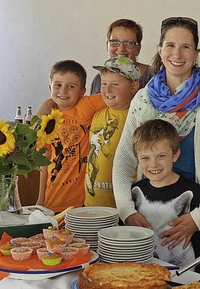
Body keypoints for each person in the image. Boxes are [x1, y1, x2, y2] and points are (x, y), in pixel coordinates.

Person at [112, 16, 200, 278]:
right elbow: (123, 159)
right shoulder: (143, 99)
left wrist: (199, 219)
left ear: (196, 53)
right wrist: (127, 209)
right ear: (159, 50)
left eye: (186, 47)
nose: (177, 54)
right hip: (151, 218)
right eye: (170, 45)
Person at [130, 119, 200, 271]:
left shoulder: (194, 192)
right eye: (145, 158)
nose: (153, 164)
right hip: (144, 274)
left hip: (186, 276)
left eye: (161, 156)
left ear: (175, 155)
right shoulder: (134, 192)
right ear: (137, 158)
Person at [35, 60, 106, 213]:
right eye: (57, 85)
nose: (63, 91)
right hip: (51, 200)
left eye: (71, 86)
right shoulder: (46, 120)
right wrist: (40, 199)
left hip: (81, 205)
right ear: (50, 88)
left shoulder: (85, 106)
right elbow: (44, 161)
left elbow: (113, 95)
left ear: (82, 91)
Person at [85, 56, 141, 207]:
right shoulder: (97, 114)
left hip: (122, 207)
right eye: (104, 84)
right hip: (91, 204)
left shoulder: (137, 119)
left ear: (134, 87)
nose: (107, 90)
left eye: (115, 84)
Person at [90, 19, 153, 94]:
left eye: (129, 43)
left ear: (138, 48)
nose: (121, 49)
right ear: (107, 45)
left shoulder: (152, 76)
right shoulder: (98, 79)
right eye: (114, 42)